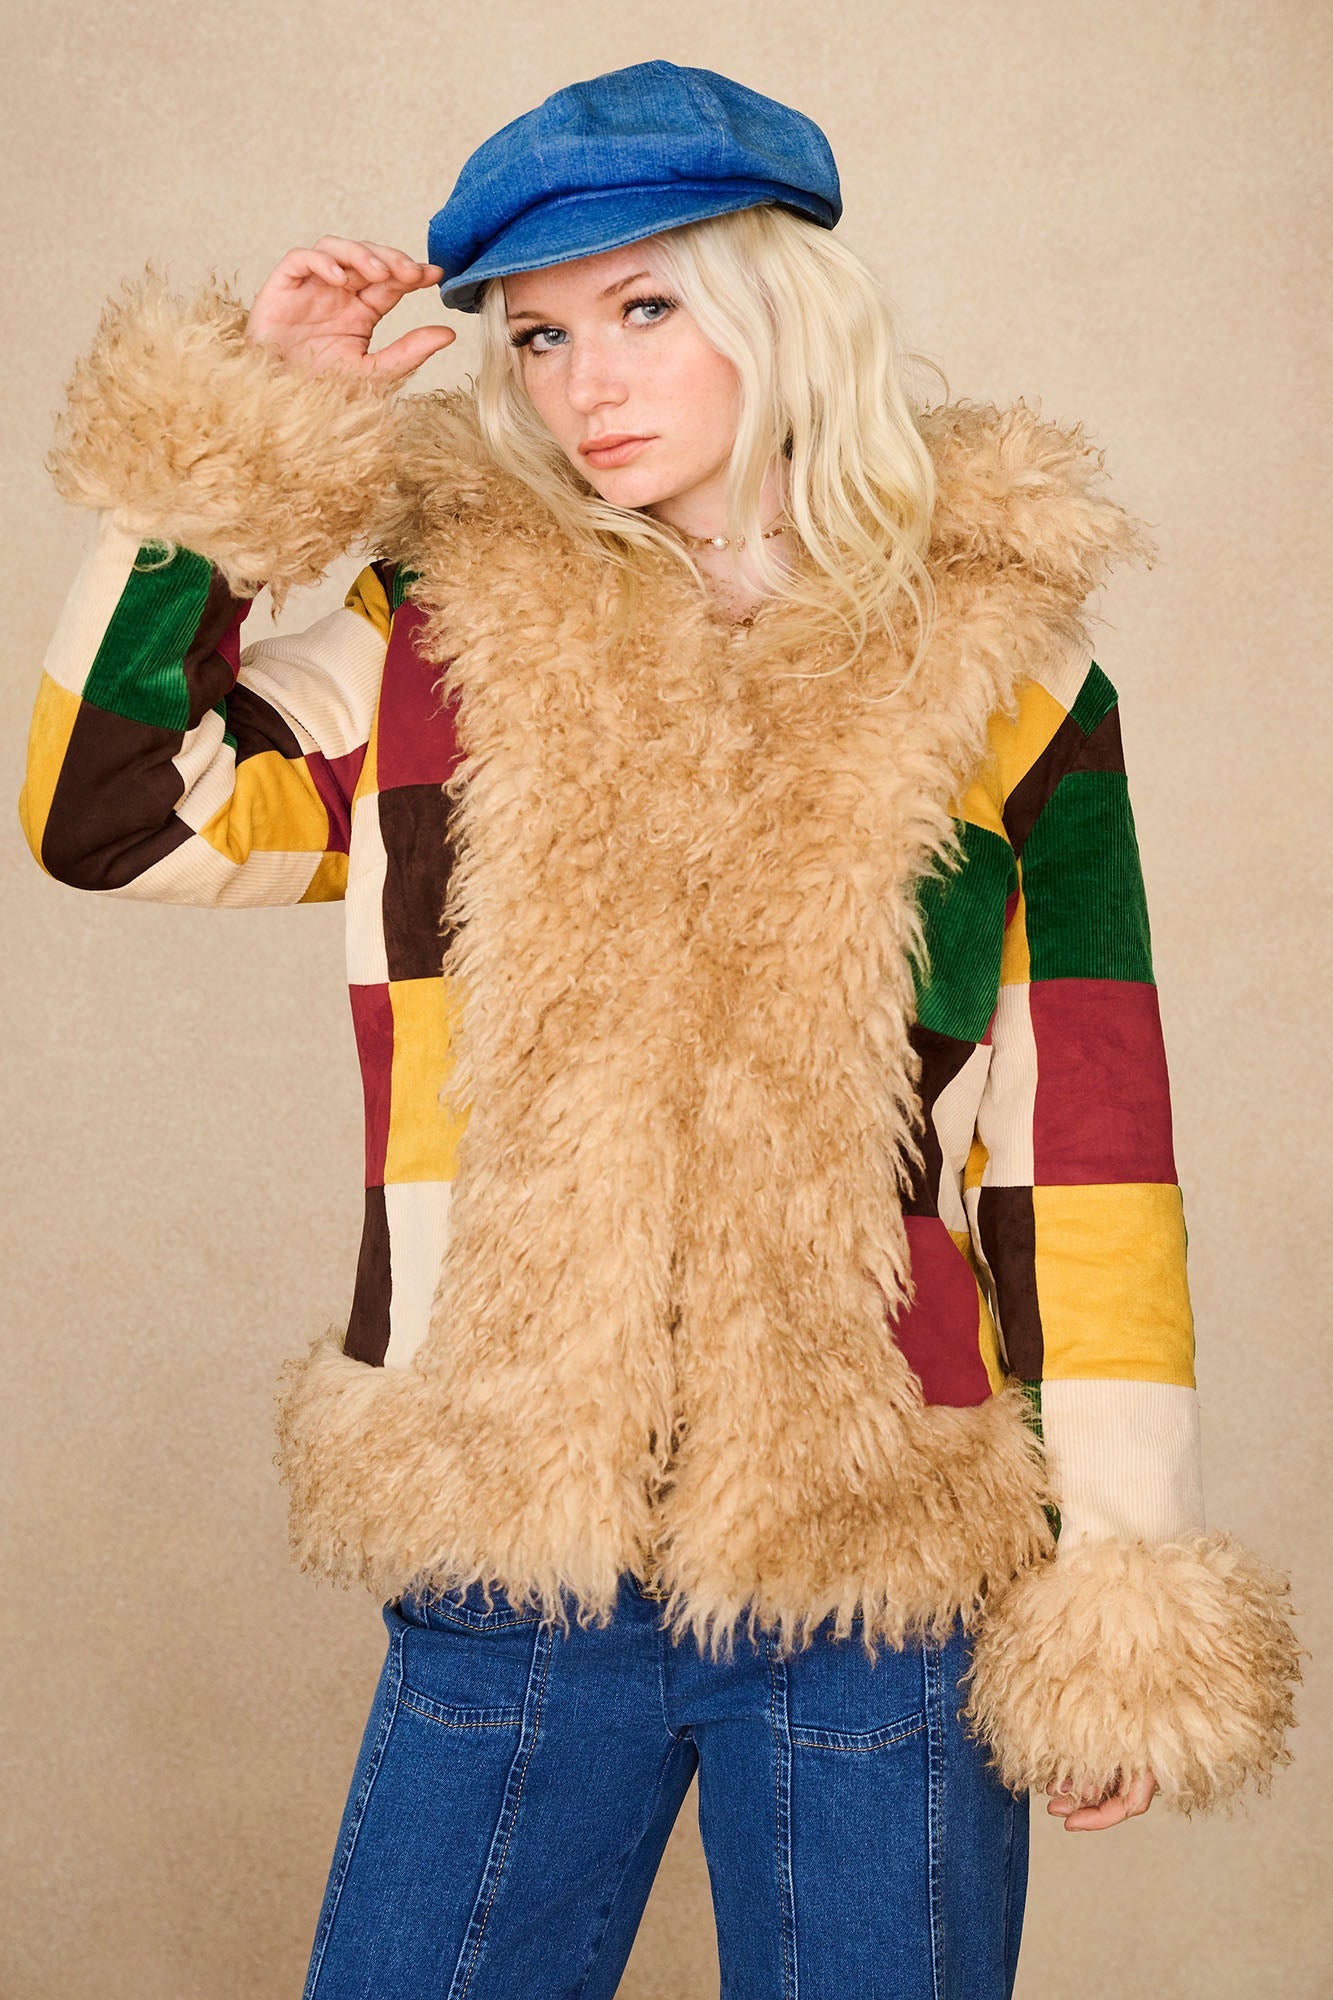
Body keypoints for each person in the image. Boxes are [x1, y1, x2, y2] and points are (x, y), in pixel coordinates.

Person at [20, 58, 1299, 2000]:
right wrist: (236, 454)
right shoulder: (437, 633)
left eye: (642, 309)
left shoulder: (1004, 673)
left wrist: (1113, 1567)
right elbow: (113, 811)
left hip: (877, 1563)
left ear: (780, 308)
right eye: (536, 337)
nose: (582, 385)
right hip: (514, 1534)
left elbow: (1086, 1149)